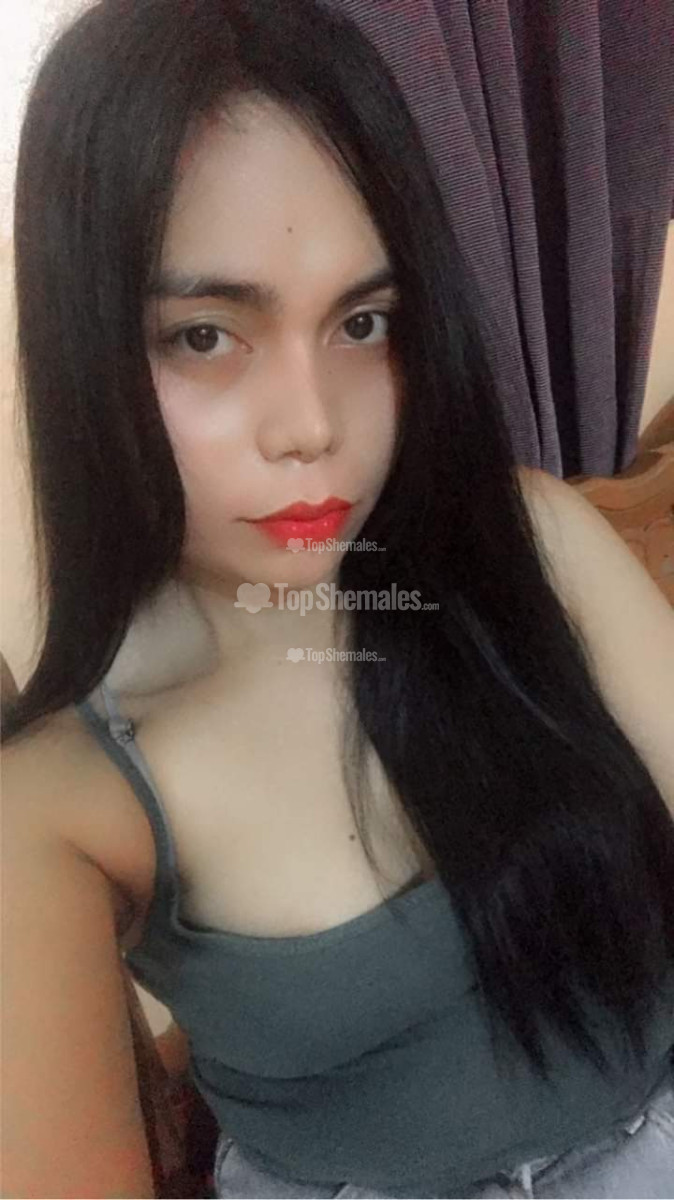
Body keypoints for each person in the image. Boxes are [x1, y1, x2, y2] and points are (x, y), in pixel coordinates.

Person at [2, 1, 673, 1197]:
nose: (312, 425)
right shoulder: (60, 795)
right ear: (85, 348)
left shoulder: (533, 544)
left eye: (361, 323)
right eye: (205, 336)